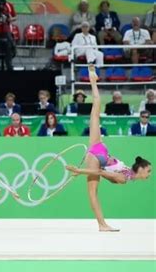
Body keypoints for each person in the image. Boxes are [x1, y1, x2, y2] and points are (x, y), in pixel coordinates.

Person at [65, 65, 152, 232]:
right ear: (140, 169)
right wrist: (79, 170)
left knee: (95, 113)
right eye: (148, 171)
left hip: (101, 150)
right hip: (98, 158)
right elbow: (99, 173)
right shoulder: (124, 178)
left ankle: (93, 81)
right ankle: (102, 225)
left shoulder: (127, 174)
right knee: (92, 194)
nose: (148, 175)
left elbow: (102, 172)